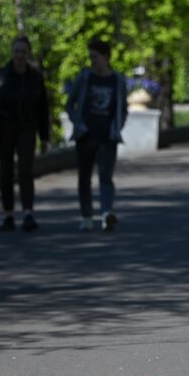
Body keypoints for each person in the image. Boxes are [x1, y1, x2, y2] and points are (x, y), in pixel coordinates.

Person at [0, 36, 50, 232]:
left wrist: (45, 137)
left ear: (28, 54)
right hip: (5, 128)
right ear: (12, 53)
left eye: (23, 52)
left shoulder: (35, 78)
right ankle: (8, 214)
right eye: (17, 51)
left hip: (27, 128)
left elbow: (43, 109)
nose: (19, 56)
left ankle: (28, 213)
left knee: (26, 170)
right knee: (6, 172)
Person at [65, 37, 128, 232]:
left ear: (106, 57)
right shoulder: (84, 78)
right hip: (85, 136)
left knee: (105, 177)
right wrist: (78, 123)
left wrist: (117, 128)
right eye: (91, 57)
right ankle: (86, 216)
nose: (93, 61)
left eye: (96, 57)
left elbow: (123, 108)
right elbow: (70, 104)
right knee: (84, 178)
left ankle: (107, 213)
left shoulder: (117, 80)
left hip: (107, 137)